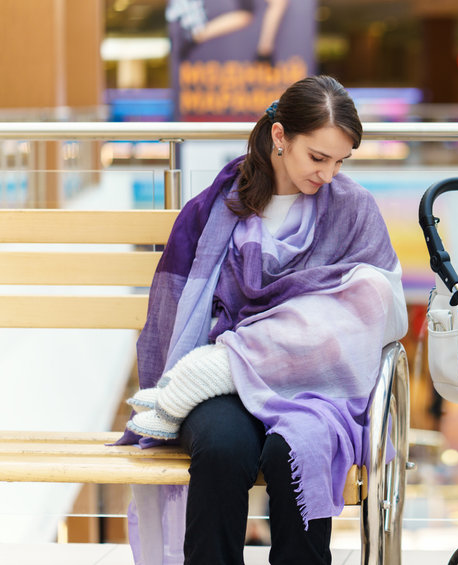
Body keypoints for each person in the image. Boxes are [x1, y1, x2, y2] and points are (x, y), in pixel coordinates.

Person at [120, 75, 408, 565]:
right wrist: (229, 364)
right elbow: (181, 313)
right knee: (223, 449)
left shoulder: (353, 209)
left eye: (341, 161)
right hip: (220, 390)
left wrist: (245, 353)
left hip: (316, 388)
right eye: (318, 158)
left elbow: (377, 310)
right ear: (280, 137)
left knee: (294, 452)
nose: (329, 175)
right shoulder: (214, 211)